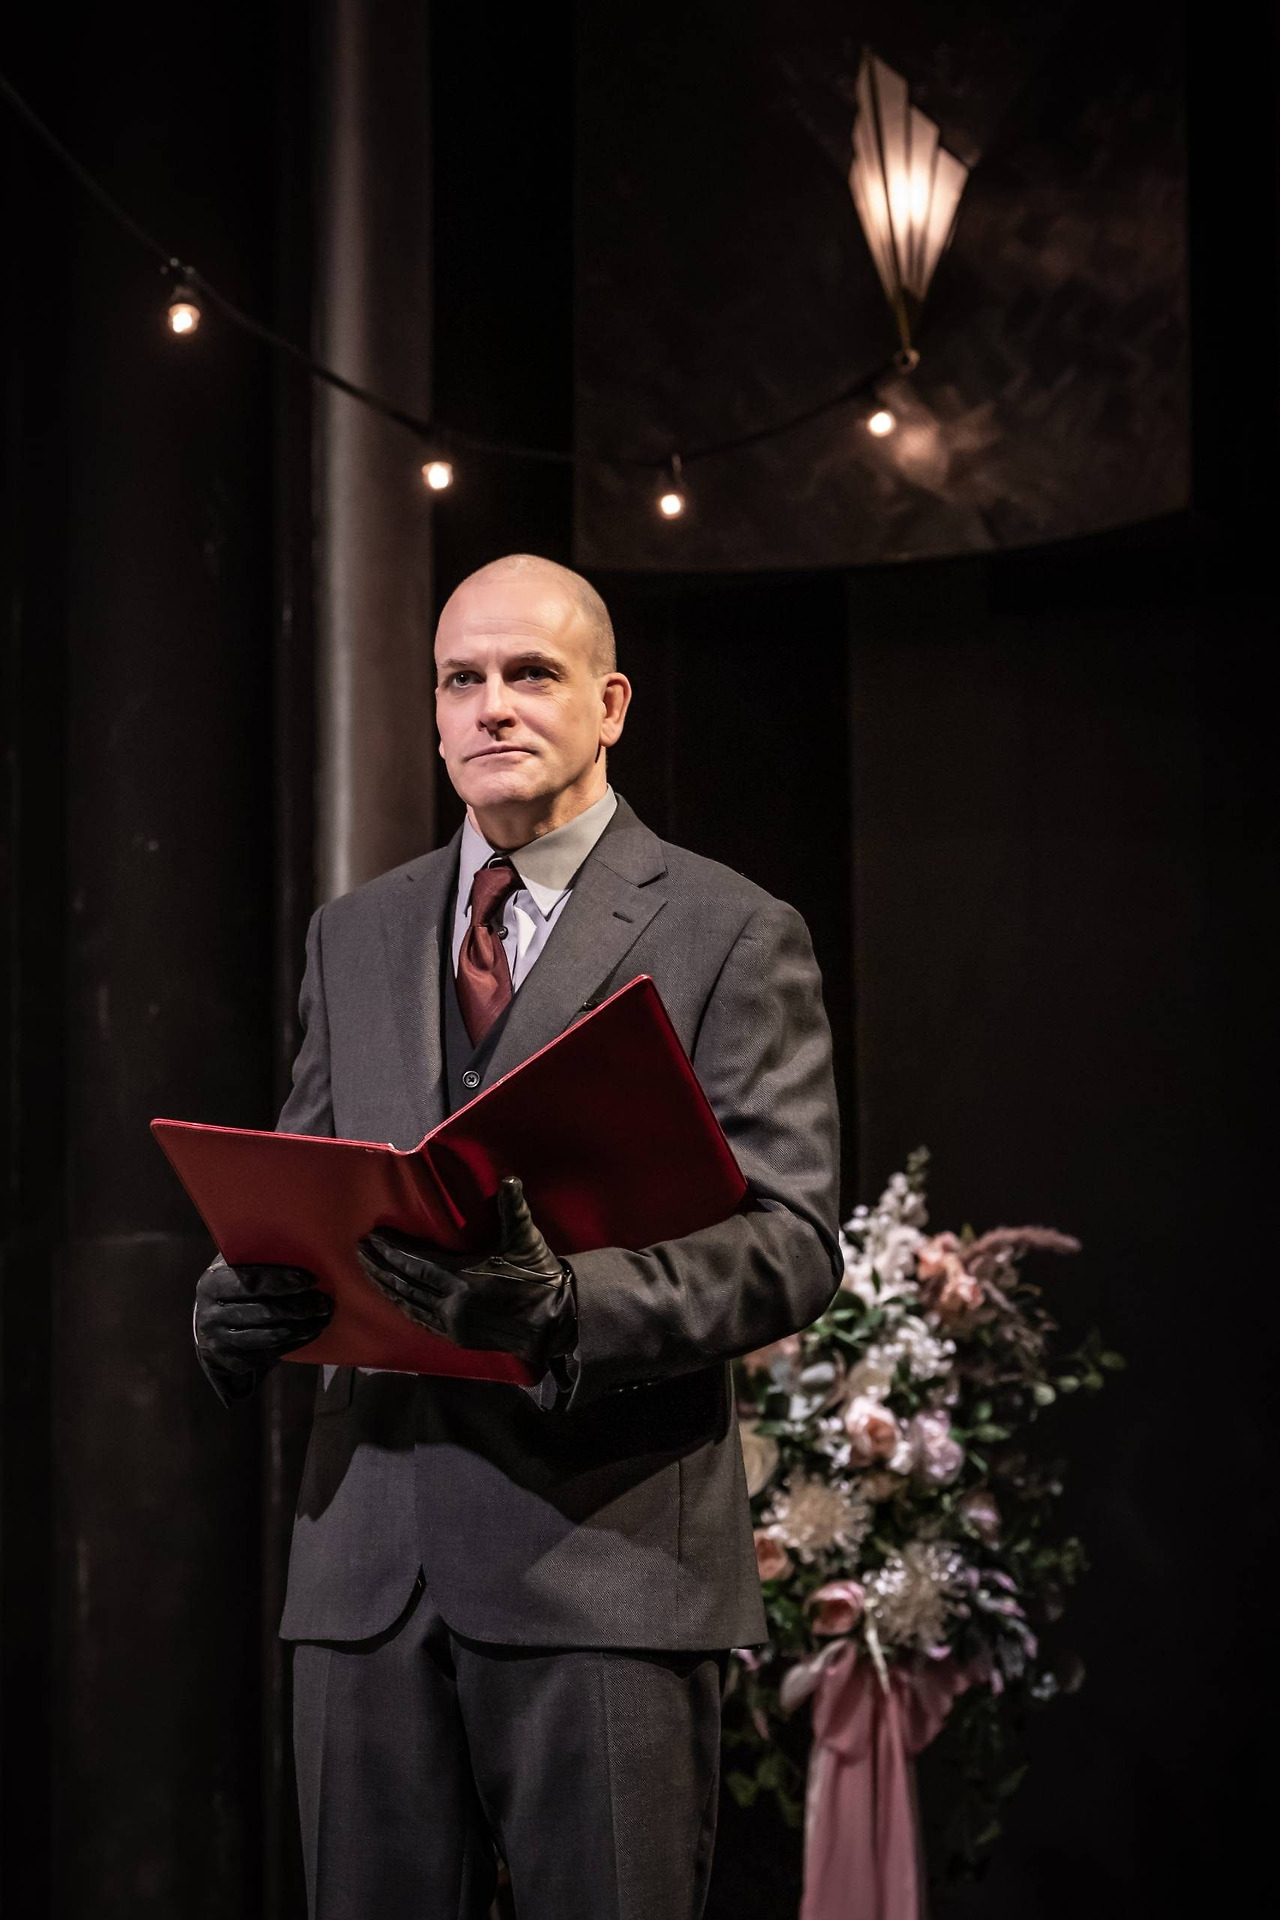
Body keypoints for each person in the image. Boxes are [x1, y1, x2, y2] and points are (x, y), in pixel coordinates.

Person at [193, 553, 841, 1920]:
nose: (492, 706)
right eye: (462, 680)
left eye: (529, 674)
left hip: (602, 1567)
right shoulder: (357, 934)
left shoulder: (729, 929)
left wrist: (567, 1307)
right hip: (366, 1567)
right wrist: (237, 1292)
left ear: (609, 703)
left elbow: (792, 1241)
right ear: (433, 715)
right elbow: (319, 1176)